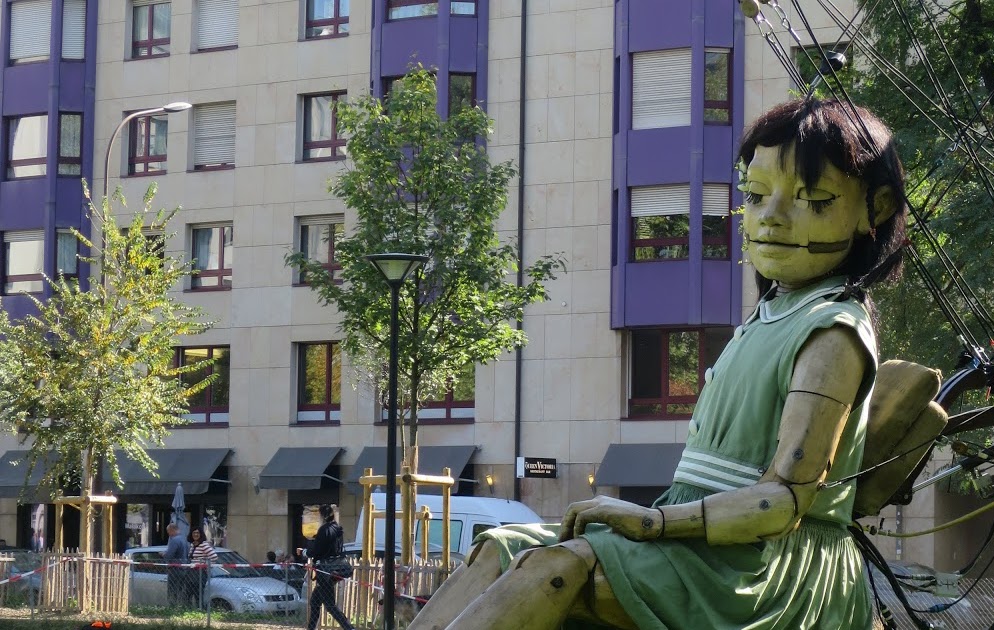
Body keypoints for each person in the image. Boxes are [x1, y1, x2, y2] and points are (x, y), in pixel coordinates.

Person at [408, 97, 909, 630]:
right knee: (500, 546)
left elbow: (782, 502)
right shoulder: (773, 314)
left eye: (814, 200)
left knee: (555, 566)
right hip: (701, 545)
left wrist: (652, 522)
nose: (772, 218)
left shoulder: (832, 329)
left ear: (873, 210)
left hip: (761, 567)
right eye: (758, 195)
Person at [296, 504, 356, 630]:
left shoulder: (324, 530)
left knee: (330, 606)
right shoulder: (337, 528)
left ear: (322, 516)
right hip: (332, 569)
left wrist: (303, 552)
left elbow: (316, 551)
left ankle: (349, 628)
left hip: (324, 571)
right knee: (315, 602)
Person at [187, 527, 219, 608]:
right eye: (194, 533)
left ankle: (200, 609)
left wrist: (206, 566)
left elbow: (214, 557)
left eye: (198, 533)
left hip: (200, 572)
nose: (196, 534)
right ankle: (190, 609)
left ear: (201, 534)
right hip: (192, 572)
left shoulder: (204, 545)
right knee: (189, 592)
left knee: (198, 592)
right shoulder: (193, 545)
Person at [162, 523, 189, 607]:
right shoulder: (185, 540)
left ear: (172, 530)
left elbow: (169, 555)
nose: (169, 534)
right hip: (184, 568)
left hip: (174, 568)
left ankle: (172, 607)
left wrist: (163, 555)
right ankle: (180, 606)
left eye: (168, 532)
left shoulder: (174, 540)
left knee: (173, 589)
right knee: (181, 589)